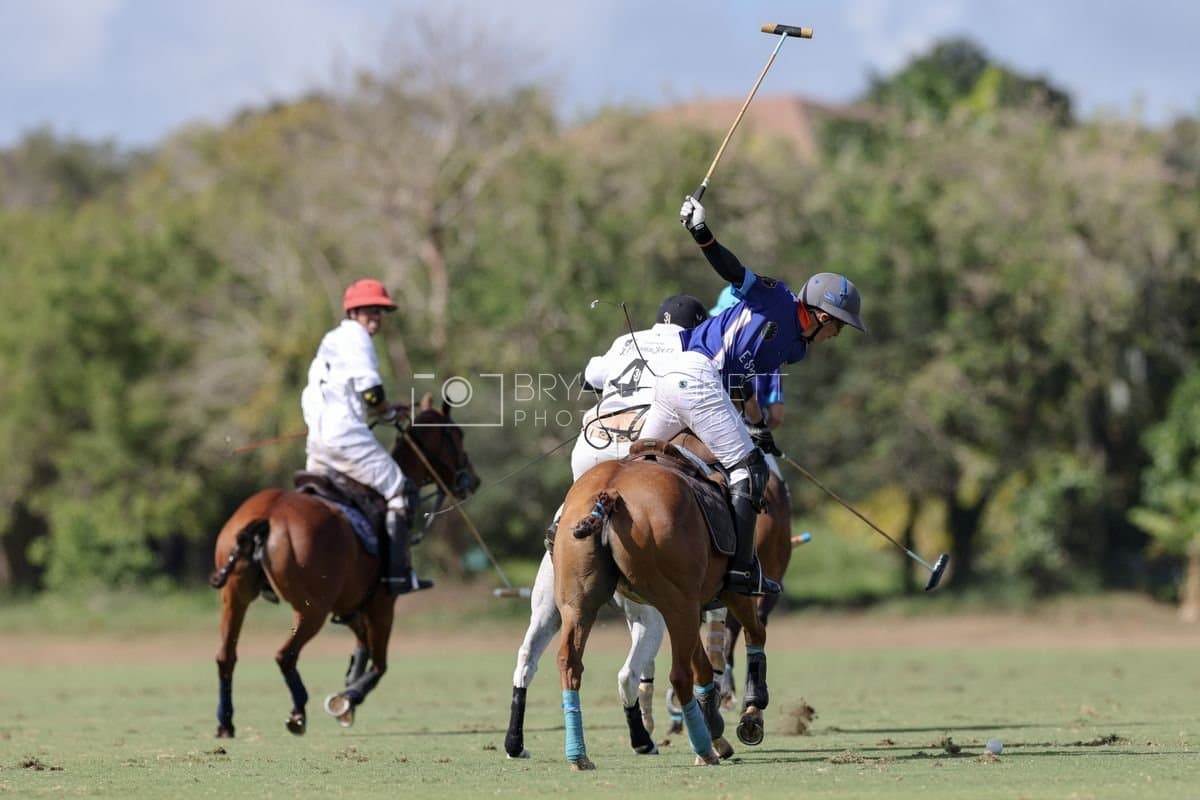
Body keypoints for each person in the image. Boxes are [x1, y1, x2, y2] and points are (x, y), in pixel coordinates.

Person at [505, 294, 708, 759]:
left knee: (576, 506)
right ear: (696, 324)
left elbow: (588, 377)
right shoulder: (693, 344)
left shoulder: (623, 340)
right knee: (694, 495)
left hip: (592, 442)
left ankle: (558, 539)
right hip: (641, 437)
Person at [637, 194, 865, 596]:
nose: (835, 337)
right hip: (695, 374)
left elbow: (742, 383)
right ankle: (742, 573)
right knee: (751, 472)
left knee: (634, 462)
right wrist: (700, 230)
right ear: (824, 317)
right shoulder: (775, 296)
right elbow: (731, 269)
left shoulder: (793, 347)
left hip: (676, 381)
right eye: (839, 328)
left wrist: (757, 426)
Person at [300, 278, 431, 596]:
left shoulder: (332, 340)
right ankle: (396, 576)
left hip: (318, 437)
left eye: (381, 310)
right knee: (401, 492)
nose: (377, 316)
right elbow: (371, 393)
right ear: (354, 311)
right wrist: (385, 411)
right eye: (372, 309)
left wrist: (382, 410)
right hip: (346, 436)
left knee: (323, 498)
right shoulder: (357, 338)